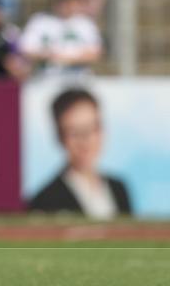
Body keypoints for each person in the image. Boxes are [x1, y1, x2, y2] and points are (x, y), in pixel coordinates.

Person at [28, 88, 132, 218]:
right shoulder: (45, 201)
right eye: (75, 132)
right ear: (60, 136)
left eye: (92, 128)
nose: (85, 141)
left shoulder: (119, 189)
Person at [19, 0, 102, 76]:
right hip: (45, 77)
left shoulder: (85, 24)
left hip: (77, 78)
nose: (69, 7)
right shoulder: (39, 21)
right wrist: (48, 55)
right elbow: (25, 48)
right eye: (66, 3)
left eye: (72, 3)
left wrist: (67, 59)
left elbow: (95, 53)